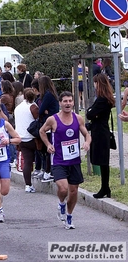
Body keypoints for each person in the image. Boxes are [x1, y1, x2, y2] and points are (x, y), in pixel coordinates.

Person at [39, 91, 91, 229]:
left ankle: (69, 216)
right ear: (60, 103)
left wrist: (87, 142)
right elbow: (42, 131)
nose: (68, 104)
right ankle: (61, 203)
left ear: (73, 102)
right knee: (63, 188)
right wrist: (48, 145)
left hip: (74, 160)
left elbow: (86, 134)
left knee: (73, 191)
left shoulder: (78, 118)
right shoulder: (53, 119)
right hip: (58, 160)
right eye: (65, 101)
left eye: (70, 101)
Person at [86, 73, 115, 199]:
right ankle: (105, 187)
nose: (94, 85)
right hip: (100, 130)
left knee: (103, 161)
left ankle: (105, 187)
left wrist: (91, 113)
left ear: (99, 84)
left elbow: (90, 114)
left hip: (100, 133)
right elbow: (92, 113)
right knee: (103, 162)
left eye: (95, 82)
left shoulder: (102, 100)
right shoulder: (104, 98)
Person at [14, 88, 39, 193]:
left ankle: (28, 185)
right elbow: (38, 119)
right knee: (42, 155)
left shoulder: (18, 108)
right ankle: (43, 171)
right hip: (32, 137)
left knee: (27, 161)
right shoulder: (33, 107)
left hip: (21, 137)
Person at [38, 76, 59, 182]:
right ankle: (48, 171)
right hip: (53, 120)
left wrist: (44, 111)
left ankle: (48, 172)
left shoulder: (47, 95)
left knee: (49, 148)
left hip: (49, 123)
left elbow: (41, 110)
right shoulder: (53, 94)